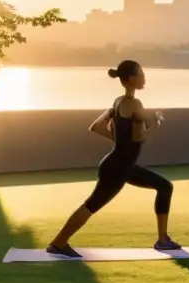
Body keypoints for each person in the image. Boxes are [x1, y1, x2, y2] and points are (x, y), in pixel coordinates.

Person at [47, 61, 180, 258]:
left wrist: (122, 140)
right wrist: (158, 124)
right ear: (131, 79)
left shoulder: (118, 102)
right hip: (118, 168)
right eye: (141, 75)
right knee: (91, 205)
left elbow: (97, 126)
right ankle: (58, 243)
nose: (144, 78)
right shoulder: (135, 104)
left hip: (121, 164)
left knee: (165, 186)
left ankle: (163, 240)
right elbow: (139, 137)